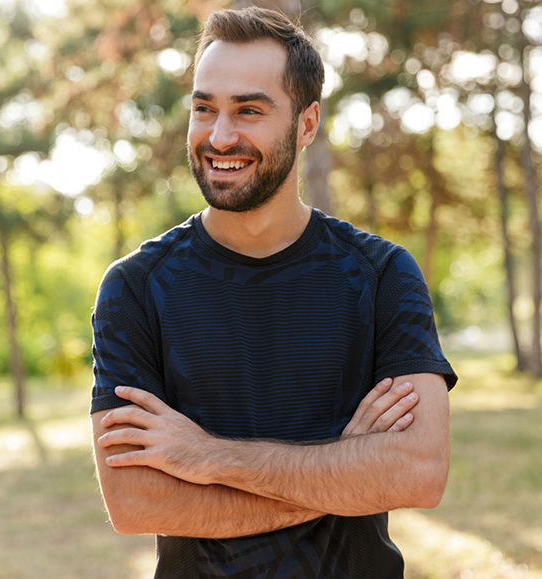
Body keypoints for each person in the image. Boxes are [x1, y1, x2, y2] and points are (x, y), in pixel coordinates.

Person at [90, 6, 457, 579]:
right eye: (204, 107)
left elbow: (420, 473)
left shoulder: (382, 274)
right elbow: (135, 503)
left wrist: (208, 458)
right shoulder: (135, 288)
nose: (219, 135)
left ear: (307, 124)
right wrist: (345, 471)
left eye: (249, 110)